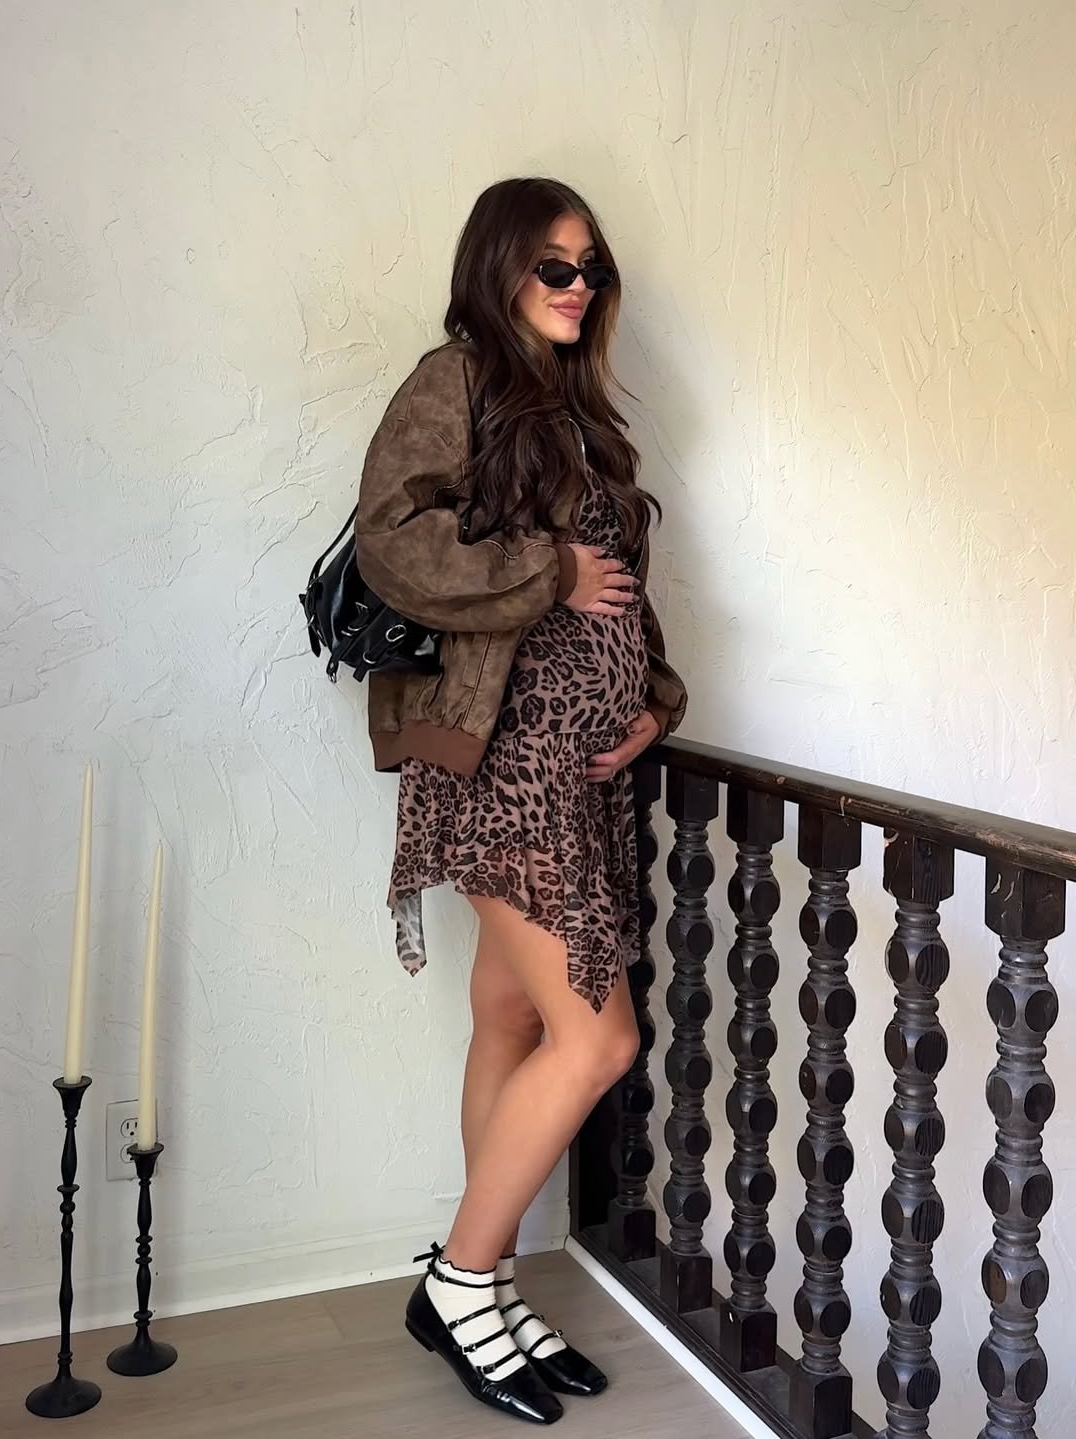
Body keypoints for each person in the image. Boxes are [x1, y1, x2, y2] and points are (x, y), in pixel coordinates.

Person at [355, 177, 687, 1426]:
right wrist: (547, 568)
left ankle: (482, 1286)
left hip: (577, 769)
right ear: (497, 268)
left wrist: (655, 699)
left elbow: (623, 596)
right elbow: (394, 540)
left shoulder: (581, 415)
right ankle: (459, 1279)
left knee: (509, 1015)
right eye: (554, 265)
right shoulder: (456, 380)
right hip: (505, 766)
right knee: (600, 1038)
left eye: (591, 267)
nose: (578, 285)